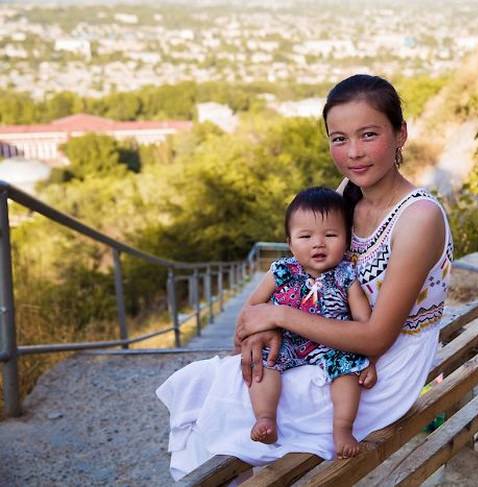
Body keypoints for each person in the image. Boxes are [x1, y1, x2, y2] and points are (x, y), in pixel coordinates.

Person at [156, 74, 452, 480]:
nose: (353, 153)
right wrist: (265, 329)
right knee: (233, 372)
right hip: (331, 338)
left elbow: (378, 337)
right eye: (338, 139)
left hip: (383, 365)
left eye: (368, 135)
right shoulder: (350, 190)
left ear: (401, 133)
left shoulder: (419, 217)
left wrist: (278, 317)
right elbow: (313, 270)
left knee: (231, 391)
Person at [246, 186, 377, 459]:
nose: (319, 243)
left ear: (346, 239)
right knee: (266, 364)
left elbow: (365, 322)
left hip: (333, 343)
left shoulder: (346, 275)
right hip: (288, 340)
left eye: (330, 235)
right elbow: (253, 306)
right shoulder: (282, 271)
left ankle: (342, 428)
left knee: (347, 371)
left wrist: (370, 361)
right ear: (290, 242)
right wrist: (264, 329)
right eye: (305, 236)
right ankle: (265, 417)